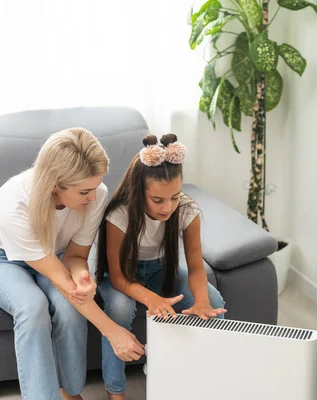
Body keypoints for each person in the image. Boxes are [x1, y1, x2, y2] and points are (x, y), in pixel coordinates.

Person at [0, 128, 145, 400]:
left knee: (69, 308)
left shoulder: (96, 193)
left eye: (95, 187)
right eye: (84, 191)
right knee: (32, 307)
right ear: (56, 185)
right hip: (0, 261)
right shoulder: (14, 204)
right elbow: (57, 277)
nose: (93, 196)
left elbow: (75, 257)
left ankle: (72, 392)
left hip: (56, 257)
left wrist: (82, 277)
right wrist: (114, 332)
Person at [96, 133, 227, 399]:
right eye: (157, 200)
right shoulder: (119, 214)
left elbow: (196, 266)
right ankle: (115, 390)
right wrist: (151, 298)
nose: (168, 207)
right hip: (123, 277)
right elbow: (119, 277)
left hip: (161, 271)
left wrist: (201, 301)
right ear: (138, 191)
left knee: (213, 304)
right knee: (120, 308)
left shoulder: (188, 210)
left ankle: (186, 378)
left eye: (175, 197)